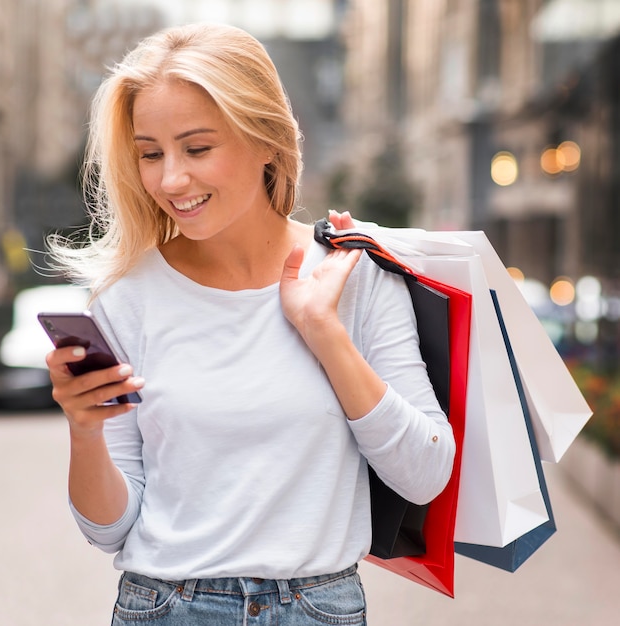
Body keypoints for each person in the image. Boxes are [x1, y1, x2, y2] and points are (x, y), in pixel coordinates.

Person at [44, 22, 455, 625]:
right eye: (151, 153)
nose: (170, 180)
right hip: (165, 607)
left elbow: (425, 475)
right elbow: (109, 529)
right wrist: (84, 429)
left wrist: (325, 334)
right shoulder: (125, 299)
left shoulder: (354, 274)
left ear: (267, 140)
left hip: (321, 609)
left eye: (197, 148)